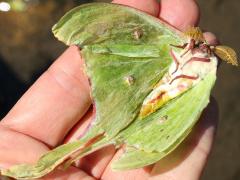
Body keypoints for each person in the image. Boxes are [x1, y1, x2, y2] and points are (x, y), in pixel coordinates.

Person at [0, 0, 219, 179]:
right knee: (89, 137)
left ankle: (18, 170)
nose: (198, 51)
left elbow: (190, 113)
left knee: (94, 139)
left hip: (159, 110)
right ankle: (20, 170)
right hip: (131, 89)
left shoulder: (204, 80)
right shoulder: (174, 41)